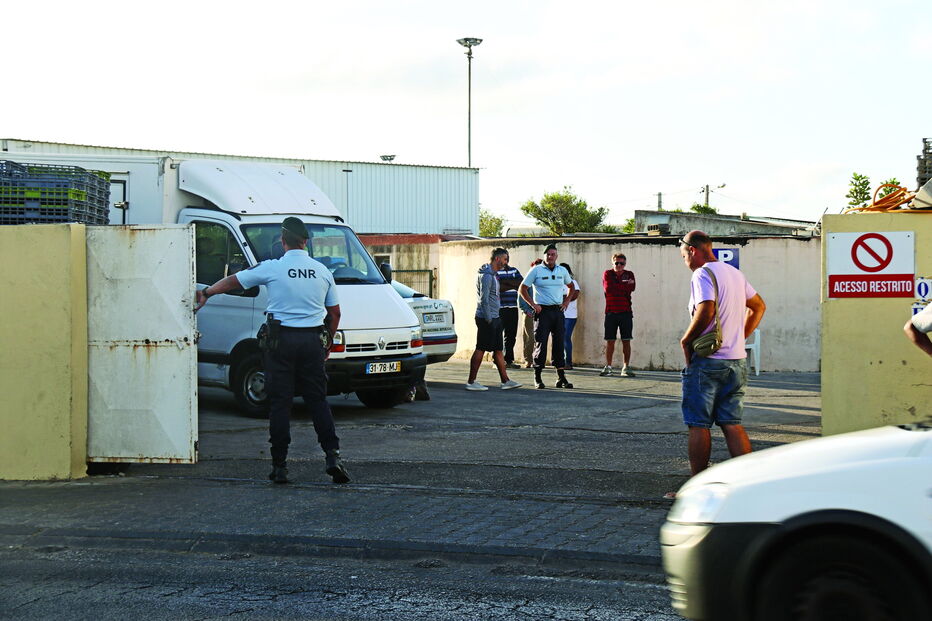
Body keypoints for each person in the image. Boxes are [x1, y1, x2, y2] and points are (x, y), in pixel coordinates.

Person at [195, 217, 350, 485]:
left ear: (282, 240)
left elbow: (235, 281)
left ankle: (280, 466)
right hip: (312, 342)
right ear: (306, 241)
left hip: (281, 343)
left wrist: (208, 292)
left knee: (280, 403)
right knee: (317, 402)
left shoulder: (274, 268)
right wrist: (326, 343)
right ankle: (332, 456)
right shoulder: (322, 271)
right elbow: (334, 313)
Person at [677, 230, 766, 482]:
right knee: (731, 423)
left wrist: (687, 340)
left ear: (693, 250)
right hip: (737, 361)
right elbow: (759, 306)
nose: (685, 261)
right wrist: (739, 337)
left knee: (698, 424)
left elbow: (706, 308)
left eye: (684, 256)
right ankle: (748, 483)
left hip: (708, 361)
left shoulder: (702, 273)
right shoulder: (735, 274)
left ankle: (697, 485)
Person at [519, 244, 576, 389]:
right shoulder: (536, 270)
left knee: (559, 343)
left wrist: (566, 301)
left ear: (557, 256)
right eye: (548, 254)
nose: (551, 257)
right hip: (542, 311)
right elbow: (522, 288)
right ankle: (537, 376)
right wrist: (533, 304)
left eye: (553, 254)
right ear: (544, 255)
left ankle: (561, 377)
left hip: (557, 311)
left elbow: (571, 287)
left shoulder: (562, 270)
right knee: (541, 342)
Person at [466, 248, 523, 391]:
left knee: (498, 349)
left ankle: (505, 381)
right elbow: (483, 300)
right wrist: (489, 319)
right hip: (487, 318)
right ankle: (471, 382)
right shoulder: (487, 276)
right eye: (504, 259)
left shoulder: (493, 274)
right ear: (497, 259)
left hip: (495, 316)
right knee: (481, 348)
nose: (506, 262)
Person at [601, 253, 636, 377]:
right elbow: (609, 289)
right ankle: (608, 366)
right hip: (611, 312)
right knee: (610, 341)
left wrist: (620, 286)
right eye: (617, 263)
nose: (619, 265)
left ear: (625, 264)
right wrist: (624, 285)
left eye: (622, 263)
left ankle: (626, 367)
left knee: (626, 340)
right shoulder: (607, 274)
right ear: (613, 263)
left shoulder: (629, 274)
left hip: (626, 312)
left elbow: (632, 287)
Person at [495, 253, 524, 368]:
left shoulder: (514, 270)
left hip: (513, 307)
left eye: (507, 259)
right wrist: (512, 284)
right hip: (499, 308)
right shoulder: (495, 272)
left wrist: (505, 283)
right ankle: (497, 360)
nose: (506, 261)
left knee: (511, 335)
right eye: (504, 259)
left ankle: (509, 360)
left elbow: (521, 284)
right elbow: (498, 287)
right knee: (498, 335)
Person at [520, 259, 543, 368]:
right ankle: (528, 360)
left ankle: (537, 360)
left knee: (539, 338)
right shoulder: (527, 280)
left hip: (541, 312)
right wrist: (527, 310)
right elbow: (521, 297)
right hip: (529, 313)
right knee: (530, 338)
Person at [560, 263, 580, 369]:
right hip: (559, 315)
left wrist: (562, 299)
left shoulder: (573, 282)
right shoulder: (557, 283)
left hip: (570, 316)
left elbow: (575, 294)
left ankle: (568, 362)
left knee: (566, 337)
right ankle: (561, 361)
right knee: (560, 338)